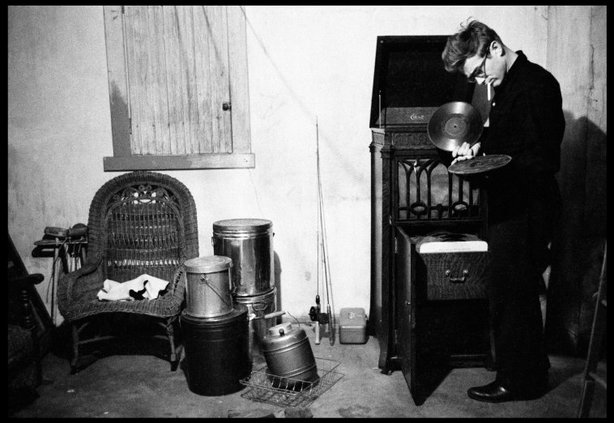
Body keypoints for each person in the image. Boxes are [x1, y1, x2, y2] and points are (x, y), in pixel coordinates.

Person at [441, 20, 565, 403]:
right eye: (474, 78)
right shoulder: (507, 85)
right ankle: (530, 372)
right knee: (514, 293)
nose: (481, 81)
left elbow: (544, 158)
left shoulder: (536, 85)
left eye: (479, 71)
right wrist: (480, 150)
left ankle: (517, 381)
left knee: (513, 296)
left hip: (528, 208)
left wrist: (487, 166)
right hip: (510, 205)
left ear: (495, 48)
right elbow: (510, 140)